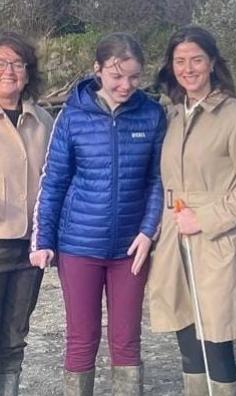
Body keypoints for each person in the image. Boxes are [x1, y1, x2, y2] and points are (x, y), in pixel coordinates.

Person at [30, 32, 166, 396]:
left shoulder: (152, 115)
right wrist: (43, 238)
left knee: (126, 339)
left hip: (130, 249)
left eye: (134, 77)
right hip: (78, 247)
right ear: (98, 70)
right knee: (81, 337)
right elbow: (54, 180)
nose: (126, 85)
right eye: (116, 75)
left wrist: (148, 230)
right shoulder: (72, 117)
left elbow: (158, 179)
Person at [148, 25, 236, 396]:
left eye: (196, 59)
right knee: (186, 336)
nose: (188, 68)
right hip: (174, 239)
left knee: (215, 340)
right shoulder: (171, 115)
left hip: (217, 241)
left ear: (212, 62)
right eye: (180, 61)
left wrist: (205, 218)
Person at [0, 31, 53, 396]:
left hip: (28, 249)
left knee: (15, 335)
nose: (9, 71)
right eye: (1, 63)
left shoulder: (44, 120)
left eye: (17, 63)